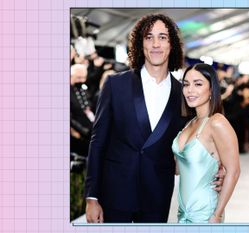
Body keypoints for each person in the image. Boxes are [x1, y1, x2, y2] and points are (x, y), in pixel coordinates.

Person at [84, 14, 224, 223]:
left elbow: (202, 131)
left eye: (163, 37)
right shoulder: (115, 85)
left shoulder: (183, 94)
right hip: (114, 194)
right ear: (141, 44)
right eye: (149, 37)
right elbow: (97, 142)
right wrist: (92, 197)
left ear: (172, 44)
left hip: (157, 194)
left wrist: (219, 166)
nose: (156, 44)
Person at [172, 63, 240, 223]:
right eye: (186, 84)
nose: (190, 90)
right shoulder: (189, 124)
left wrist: (216, 215)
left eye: (198, 84)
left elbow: (234, 171)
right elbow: (179, 169)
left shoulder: (217, 122)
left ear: (211, 89)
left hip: (206, 213)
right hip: (183, 212)